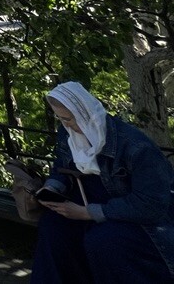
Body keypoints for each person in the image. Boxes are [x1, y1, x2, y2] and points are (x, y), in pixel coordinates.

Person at [31, 81, 174, 282]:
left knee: (103, 240)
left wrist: (89, 213)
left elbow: (151, 205)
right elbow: (62, 167)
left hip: (132, 214)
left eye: (69, 119)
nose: (66, 125)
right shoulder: (69, 133)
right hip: (88, 202)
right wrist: (52, 187)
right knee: (52, 226)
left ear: (84, 114)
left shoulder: (136, 147)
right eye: (61, 119)